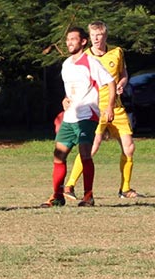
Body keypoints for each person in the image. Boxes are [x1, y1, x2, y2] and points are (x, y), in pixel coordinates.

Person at [41, 26, 116, 208]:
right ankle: (58, 196)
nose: (69, 43)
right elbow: (71, 92)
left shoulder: (91, 62)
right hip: (70, 117)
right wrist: (65, 100)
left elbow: (110, 82)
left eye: (73, 39)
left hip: (87, 116)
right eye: (67, 40)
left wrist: (110, 107)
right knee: (59, 155)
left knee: (84, 154)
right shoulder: (66, 64)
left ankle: (88, 196)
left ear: (83, 41)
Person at [63, 21, 138, 199]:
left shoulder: (117, 52)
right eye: (93, 36)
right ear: (88, 37)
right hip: (95, 108)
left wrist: (121, 83)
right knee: (91, 147)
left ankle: (125, 189)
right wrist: (67, 98)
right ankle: (69, 185)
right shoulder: (86, 57)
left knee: (129, 147)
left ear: (105, 36)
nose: (96, 39)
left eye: (99, 35)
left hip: (116, 108)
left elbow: (123, 74)